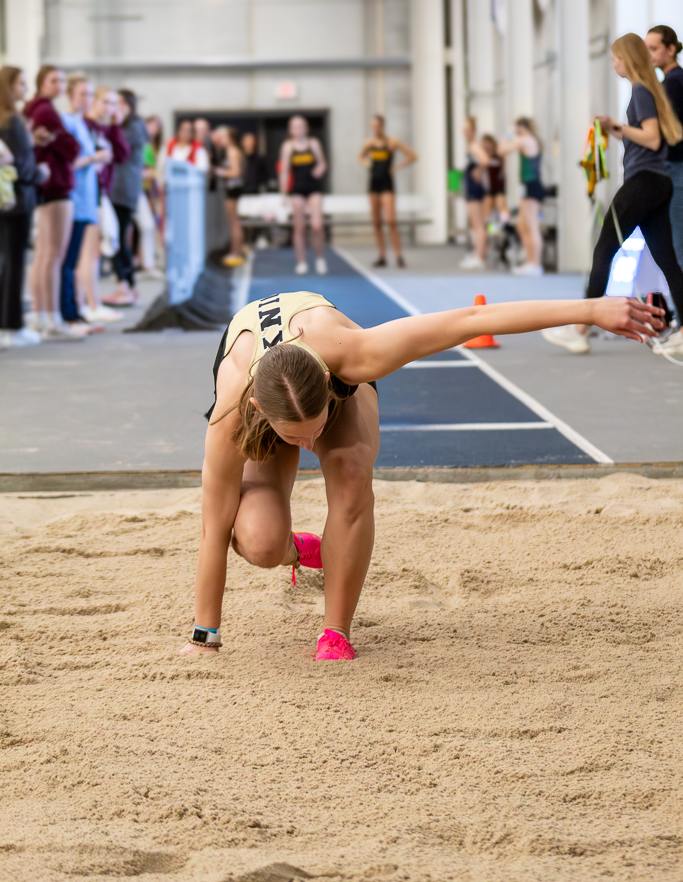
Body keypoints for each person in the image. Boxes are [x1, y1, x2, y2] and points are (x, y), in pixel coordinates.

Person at [179, 288, 664, 661]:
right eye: (296, 438)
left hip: (319, 360)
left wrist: (593, 310)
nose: (309, 446)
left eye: (316, 429)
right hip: (265, 380)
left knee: (347, 468)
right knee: (260, 543)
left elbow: (473, 319)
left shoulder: (357, 353)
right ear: (260, 410)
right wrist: (206, 637)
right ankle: (303, 549)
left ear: (330, 385)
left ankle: (336, 629)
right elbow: (212, 528)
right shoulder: (233, 413)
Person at [543, 32, 683, 356]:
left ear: (627, 60)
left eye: (615, 59)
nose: (613, 64)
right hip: (658, 182)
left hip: (644, 184)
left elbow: (650, 138)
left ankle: (580, 329)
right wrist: (615, 131)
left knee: (604, 250)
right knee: (668, 262)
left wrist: (614, 126)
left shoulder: (642, 92)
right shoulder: (647, 93)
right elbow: (647, 142)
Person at [24, 65, 81, 340]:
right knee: (53, 257)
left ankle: (41, 313)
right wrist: (63, 139)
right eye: (53, 80)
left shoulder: (33, 110)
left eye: (61, 80)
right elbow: (72, 147)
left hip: (47, 187)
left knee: (43, 256)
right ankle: (52, 318)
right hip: (56, 186)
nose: (59, 85)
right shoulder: (44, 110)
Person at [0, 66, 48, 348]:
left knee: (6, 260)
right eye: (21, 84)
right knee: (15, 262)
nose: (25, 90)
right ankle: (12, 325)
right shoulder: (12, 121)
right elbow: (24, 167)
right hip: (18, 200)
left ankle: (7, 323)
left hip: (6, 199)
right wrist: (42, 172)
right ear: (9, 87)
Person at [60, 75, 112, 331]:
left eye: (90, 94)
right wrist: (95, 156)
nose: (87, 99)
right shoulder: (66, 121)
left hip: (86, 199)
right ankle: (69, 314)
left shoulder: (80, 122)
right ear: (70, 94)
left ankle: (76, 310)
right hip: (73, 199)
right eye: (82, 94)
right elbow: (70, 163)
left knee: (78, 257)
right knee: (68, 260)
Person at [78, 86, 130, 323]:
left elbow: (121, 154)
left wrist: (117, 126)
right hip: (88, 194)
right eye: (105, 102)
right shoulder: (84, 125)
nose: (109, 108)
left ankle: (90, 302)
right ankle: (90, 303)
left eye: (113, 104)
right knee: (88, 253)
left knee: (95, 251)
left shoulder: (105, 128)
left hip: (101, 194)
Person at [103, 90, 147, 307]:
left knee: (116, 238)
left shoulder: (133, 127)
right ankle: (128, 285)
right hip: (123, 189)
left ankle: (124, 286)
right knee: (120, 237)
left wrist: (113, 125)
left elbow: (117, 149)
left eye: (118, 103)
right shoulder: (133, 126)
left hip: (122, 190)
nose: (114, 107)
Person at [646, 25, 683, 272]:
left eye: (654, 48)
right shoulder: (671, 81)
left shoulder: (673, 83)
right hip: (674, 167)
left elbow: (667, 133)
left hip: (676, 168)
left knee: (678, 242)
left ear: (671, 49)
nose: (649, 55)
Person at [358, 115, 416, 269]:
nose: (376, 129)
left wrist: (396, 167)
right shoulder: (369, 143)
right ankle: (382, 255)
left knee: (391, 220)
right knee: (377, 222)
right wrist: (367, 164)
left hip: (387, 184)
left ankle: (399, 255)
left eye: (378, 126)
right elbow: (360, 156)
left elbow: (412, 156)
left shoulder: (392, 142)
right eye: (373, 126)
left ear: (383, 126)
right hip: (374, 184)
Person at [279, 116, 328, 276]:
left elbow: (322, 162)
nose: (298, 130)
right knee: (299, 226)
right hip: (297, 189)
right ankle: (302, 262)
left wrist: (319, 170)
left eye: (301, 126)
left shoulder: (313, 143)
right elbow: (284, 170)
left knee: (317, 225)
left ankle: (320, 258)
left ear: (306, 128)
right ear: (290, 130)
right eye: (295, 127)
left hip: (313, 187)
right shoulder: (288, 147)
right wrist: (284, 193)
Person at [498, 118, 545, 276]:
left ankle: (535, 263)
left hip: (532, 186)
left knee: (531, 225)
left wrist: (508, 132)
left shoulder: (525, 140)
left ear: (521, 127)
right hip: (526, 186)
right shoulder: (528, 140)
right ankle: (529, 260)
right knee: (520, 224)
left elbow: (501, 150)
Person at [459, 117, 489, 270]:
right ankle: (477, 253)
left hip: (475, 189)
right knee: (475, 224)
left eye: (468, 130)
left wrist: (478, 170)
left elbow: (485, 159)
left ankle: (479, 256)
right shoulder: (470, 146)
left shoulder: (475, 146)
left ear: (473, 131)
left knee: (478, 225)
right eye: (464, 130)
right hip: (471, 188)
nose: (465, 133)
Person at [215, 126, 246, 268]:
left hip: (232, 189)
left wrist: (219, 172)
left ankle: (236, 252)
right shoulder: (232, 150)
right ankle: (236, 250)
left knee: (233, 222)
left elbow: (236, 172)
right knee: (234, 222)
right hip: (233, 188)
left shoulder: (232, 151)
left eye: (224, 137)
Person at [481, 134, 509, 228]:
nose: (488, 148)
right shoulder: (482, 158)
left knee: (502, 208)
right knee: (487, 208)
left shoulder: (499, 156)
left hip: (499, 188)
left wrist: (508, 134)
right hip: (488, 190)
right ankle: (488, 231)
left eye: (490, 146)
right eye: (485, 147)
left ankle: (504, 227)